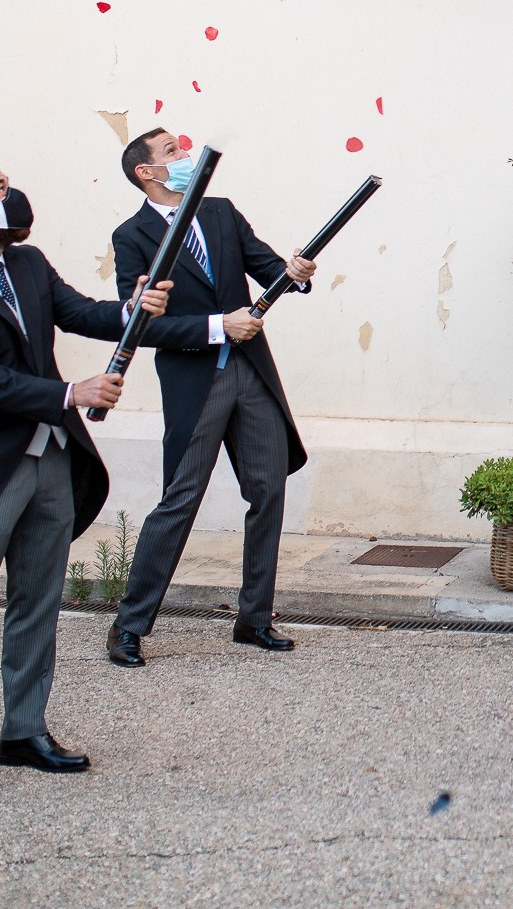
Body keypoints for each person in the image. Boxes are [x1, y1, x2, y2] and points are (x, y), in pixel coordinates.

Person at [0, 156, 172, 795]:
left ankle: (24, 732)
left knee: (38, 600)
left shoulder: (27, 263)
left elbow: (80, 313)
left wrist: (133, 307)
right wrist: (70, 394)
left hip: (52, 458)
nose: (13, 193)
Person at [104, 128, 316, 667]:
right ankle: (129, 626)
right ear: (145, 173)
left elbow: (267, 269)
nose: (184, 156)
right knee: (181, 500)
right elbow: (143, 327)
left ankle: (255, 619)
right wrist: (218, 325)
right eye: (170, 153)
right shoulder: (131, 236)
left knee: (268, 491)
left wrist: (294, 273)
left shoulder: (220, 212)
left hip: (252, 374)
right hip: (196, 383)